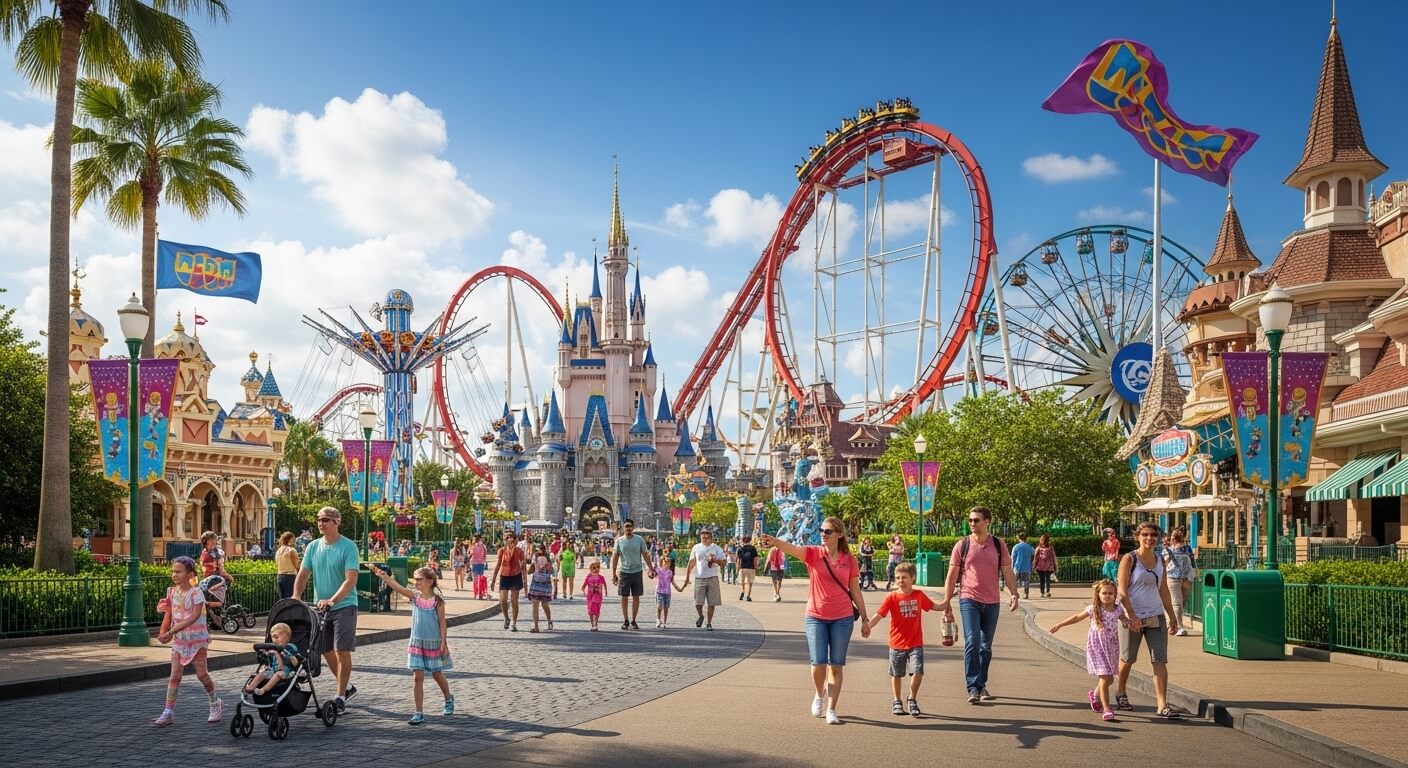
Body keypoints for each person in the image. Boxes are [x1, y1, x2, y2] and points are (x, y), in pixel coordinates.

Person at [760, 516, 869, 725]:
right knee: (818, 662)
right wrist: (774, 541)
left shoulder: (849, 559)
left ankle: (832, 708)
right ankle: (819, 694)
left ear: (839, 534)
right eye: (821, 530)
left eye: (828, 531)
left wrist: (864, 618)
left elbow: (855, 589)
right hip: (816, 616)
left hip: (843, 618)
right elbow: (791, 548)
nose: (823, 534)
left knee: (836, 665)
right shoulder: (813, 554)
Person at [940, 506, 1020, 704]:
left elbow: (1007, 571)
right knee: (972, 642)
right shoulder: (963, 545)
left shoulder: (999, 545)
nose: (972, 524)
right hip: (969, 599)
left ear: (988, 522)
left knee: (986, 647)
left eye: (976, 520)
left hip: (992, 601)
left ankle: (982, 683)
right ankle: (973, 687)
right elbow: (951, 575)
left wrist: (1014, 594)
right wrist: (946, 601)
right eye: (970, 520)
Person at [292, 506, 361, 712]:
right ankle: (347, 687)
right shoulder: (313, 547)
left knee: (342, 650)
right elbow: (303, 574)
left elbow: (351, 580)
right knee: (325, 650)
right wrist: (296, 596)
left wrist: (332, 599)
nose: (321, 523)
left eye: (326, 520)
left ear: (336, 522)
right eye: (319, 519)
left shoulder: (348, 547)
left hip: (344, 605)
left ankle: (340, 696)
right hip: (320, 608)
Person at [370, 564, 453, 724]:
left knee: (437, 673)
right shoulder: (415, 596)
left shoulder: (438, 602)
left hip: (433, 643)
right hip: (417, 642)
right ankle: (418, 712)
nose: (416, 582)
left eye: (419, 580)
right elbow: (398, 587)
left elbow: (442, 623)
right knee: (417, 678)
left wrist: (443, 642)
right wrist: (385, 577)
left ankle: (448, 698)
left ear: (429, 581)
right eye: (415, 580)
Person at [1115, 521, 1181, 719]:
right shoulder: (1129, 559)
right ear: (1138, 536)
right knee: (1128, 658)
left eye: (1153, 535)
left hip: (1155, 616)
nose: (1149, 538)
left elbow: (1163, 590)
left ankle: (1162, 704)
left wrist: (1172, 617)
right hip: (1132, 617)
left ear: (1158, 538)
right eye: (1145, 534)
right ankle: (1121, 692)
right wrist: (1132, 616)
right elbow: (1122, 591)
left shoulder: (1160, 559)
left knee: (1159, 659)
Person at [152, 556, 221, 726]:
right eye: (173, 571)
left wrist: (172, 631)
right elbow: (169, 614)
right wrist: (164, 633)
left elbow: (194, 616)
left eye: (178, 571)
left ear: (189, 574)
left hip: (197, 640)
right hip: (180, 641)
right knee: (174, 676)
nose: (174, 575)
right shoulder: (172, 592)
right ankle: (168, 712)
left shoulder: (196, 592)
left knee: (202, 674)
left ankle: (215, 702)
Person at [1047, 579, 1128, 722]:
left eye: (1111, 593)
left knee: (1109, 679)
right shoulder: (1093, 609)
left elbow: (1124, 620)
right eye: (1104, 593)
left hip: (1112, 647)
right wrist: (1060, 624)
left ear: (1115, 595)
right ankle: (1107, 709)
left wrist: (1128, 623)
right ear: (1098, 594)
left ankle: (1095, 696)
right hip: (1097, 647)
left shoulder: (1117, 610)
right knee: (1104, 677)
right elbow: (1076, 617)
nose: (1107, 596)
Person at [868, 562, 938, 717]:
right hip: (897, 643)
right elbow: (880, 614)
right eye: (898, 577)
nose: (900, 580)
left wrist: (947, 604)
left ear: (912, 578)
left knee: (918, 671)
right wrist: (868, 626)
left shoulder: (919, 595)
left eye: (904, 577)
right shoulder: (891, 596)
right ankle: (897, 701)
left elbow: (934, 606)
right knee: (897, 674)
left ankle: (912, 698)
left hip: (915, 642)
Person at [610, 519, 656, 630]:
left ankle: (634, 620)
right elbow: (615, 557)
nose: (628, 528)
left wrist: (651, 569)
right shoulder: (619, 541)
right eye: (626, 526)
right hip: (624, 572)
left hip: (637, 572)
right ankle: (625, 620)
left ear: (633, 527)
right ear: (623, 528)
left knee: (636, 597)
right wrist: (614, 573)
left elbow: (645, 555)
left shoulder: (639, 540)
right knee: (624, 597)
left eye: (630, 526)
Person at [680, 528, 726, 630]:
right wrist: (687, 577)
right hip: (699, 577)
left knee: (712, 602)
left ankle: (709, 623)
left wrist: (715, 560)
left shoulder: (716, 548)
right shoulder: (696, 547)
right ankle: (701, 616)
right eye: (702, 538)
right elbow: (691, 563)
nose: (704, 540)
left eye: (707, 538)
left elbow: (723, 563)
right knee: (698, 602)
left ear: (711, 538)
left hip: (713, 577)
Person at [244, 622, 299, 696]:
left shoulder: (289, 647)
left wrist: (288, 655)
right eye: (273, 637)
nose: (275, 639)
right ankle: (250, 687)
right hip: (272, 669)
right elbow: (267, 661)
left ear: (287, 637)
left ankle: (263, 690)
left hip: (285, 671)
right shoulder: (271, 648)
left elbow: (295, 663)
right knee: (262, 674)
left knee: (278, 674)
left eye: (278, 636)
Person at [490, 531, 527, 632]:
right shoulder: (501, 551)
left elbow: (523, 566)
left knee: (514, 601)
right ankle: (506, 617)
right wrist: (493, 580)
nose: (509, 540)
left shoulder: (519, 551)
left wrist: (525, 581)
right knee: (502, 600)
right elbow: (498, 565)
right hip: (505, 575)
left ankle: (514, 623)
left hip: (516, 575)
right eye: (507, 538)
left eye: (512, 538)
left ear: (515, 540)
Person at [1162, 528, 1196, 636]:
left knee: (1183, 602)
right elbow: (1164, 564)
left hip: (1186, 577)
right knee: (1177, 602)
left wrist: (1192, 575)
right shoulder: (1168, 549)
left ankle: (1172, 624)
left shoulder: (1187, 549)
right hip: (1173, 577)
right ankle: (1180, 627)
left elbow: (1192, 562)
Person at [527, 546, 554, 632]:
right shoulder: (535, 559)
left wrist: (548, 567)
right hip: (536, 583)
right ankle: (536, 626)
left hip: (545, 584)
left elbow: (552, 571)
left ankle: (549, 620)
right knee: (535, 604)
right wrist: (532, 567)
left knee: (544, 604)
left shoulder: (548, 560)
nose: (539, 552)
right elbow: (529, 571)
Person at [583, 560, 608, 631]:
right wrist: (583, 589)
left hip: (598, 596)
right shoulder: (588, 576)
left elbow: (605, 584)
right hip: (590, 597)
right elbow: (585, 584)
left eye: (597, 567)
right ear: (590, 569)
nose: (595, 569)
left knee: (597, 610)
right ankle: (592, 624)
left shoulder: (601, 577)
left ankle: (595, 624)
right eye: (593, 567)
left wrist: (606, 591)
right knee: (590, 611)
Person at [275, 532, 300, 601]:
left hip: (280, 576)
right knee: (292, 600)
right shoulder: (291, 550)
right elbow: (297, 565)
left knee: (282, 600)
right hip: (290, 576)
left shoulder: (278, 551)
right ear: (290, 539)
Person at [655, 555, 678, 628]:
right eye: (666, 562)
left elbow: (672, 581)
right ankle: (658, 619)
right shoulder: (659, 570)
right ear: (663, 562)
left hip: (667, 592)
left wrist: (679, 588)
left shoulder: (670, 572)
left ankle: (664, 622)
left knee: (666, 608)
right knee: (659, 606)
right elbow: (653, 574)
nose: (668, 564)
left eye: (669, 563)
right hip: (659, 591)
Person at [1011, 532, 1035, 600]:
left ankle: (1015, 593)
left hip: (1017, 567)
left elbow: (1013, 558)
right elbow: (1033, 554)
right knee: (1026, 582)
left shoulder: (1016, 547)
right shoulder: (1029, 547)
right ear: (1026, 538)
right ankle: (1026, 594)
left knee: (1015, 581)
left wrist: (1012, 567)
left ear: (1019, 538)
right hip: (1026, 567)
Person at [1034, 534, 1059, 598]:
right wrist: (1056, 566)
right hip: (1049, 567)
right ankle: (1047, 591)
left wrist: (1034, 566)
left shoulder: (1038, 548)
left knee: (1041, 580)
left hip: (1040, 567)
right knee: (1047, 579)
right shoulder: (1051, 548)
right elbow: (1054, 557)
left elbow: (1035, 558)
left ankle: (1042, 593)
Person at [737, 535, 759, 602]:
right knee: (750, 583)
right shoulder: (753, 548)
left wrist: (737, 567)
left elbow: (739, 559)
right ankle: (748, 596)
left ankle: (743, 591)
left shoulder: (740, 549)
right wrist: (756, 567)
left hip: (742, 567)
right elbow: (755, 559)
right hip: (751, 567)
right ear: (750, 541)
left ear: (743, 541)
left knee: (742, 581)